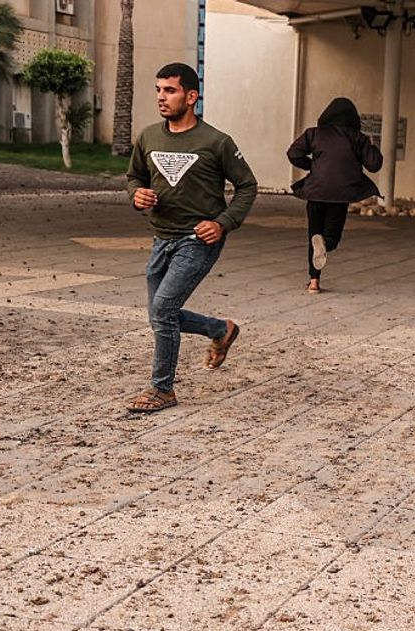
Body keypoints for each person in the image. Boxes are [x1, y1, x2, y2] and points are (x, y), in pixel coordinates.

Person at [124, 62, 257, 413]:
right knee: (160, 315)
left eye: (170, 90)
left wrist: (224, 222)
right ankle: (221, 329)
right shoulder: (148, 137)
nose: (161, 98)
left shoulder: (216, 142)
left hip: (198, 240)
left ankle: (162, 389)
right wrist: (137, 194)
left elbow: (247, 186)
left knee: (163, 309)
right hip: (161, 237)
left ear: (191, 96)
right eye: (158, 90)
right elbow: (134, 177)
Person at [286, 97, 383, 294]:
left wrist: (312, 166)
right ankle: (326, 244)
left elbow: (293, 153)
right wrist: (372, 145)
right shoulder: (357, 137)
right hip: (341, 194)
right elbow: (374, 165)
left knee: (313, 234)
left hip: (316, 191)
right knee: (330, 238)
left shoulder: (314, 133)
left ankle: (314, 282)